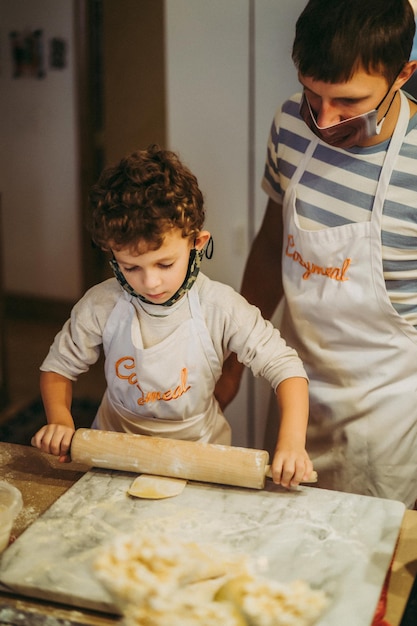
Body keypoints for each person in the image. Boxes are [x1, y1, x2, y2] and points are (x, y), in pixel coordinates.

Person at [215, 0, 417, 508]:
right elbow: (269, 247)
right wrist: (235, 361)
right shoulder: (289, 122)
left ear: (404, 74)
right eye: (312, 94)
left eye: (348, 103)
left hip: (385, 423)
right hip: (294, 390)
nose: (324, 121)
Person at [31, 145, 313, 489]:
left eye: (165, 264)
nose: (150, 282)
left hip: (200, 456)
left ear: (197, 242)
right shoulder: (101, 305)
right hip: (114, 453)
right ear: (111, 252)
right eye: (130, 267)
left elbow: (287, 369)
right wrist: (60, 421)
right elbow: (58, 368)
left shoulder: (219, 307)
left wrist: (292, 443)